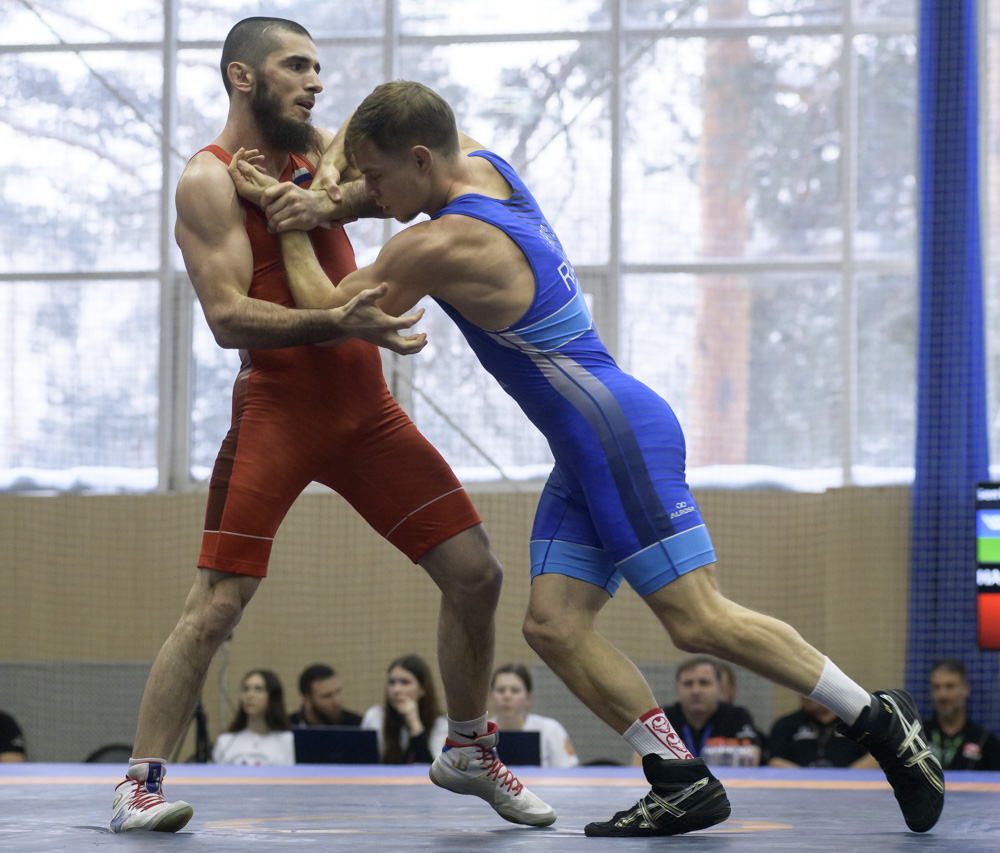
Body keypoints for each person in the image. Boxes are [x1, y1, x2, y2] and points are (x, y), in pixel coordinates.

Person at [229, 79, 945, 837]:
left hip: (617, 436)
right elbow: (385, 150)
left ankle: (879, 718)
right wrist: (331, 197)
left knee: (696, 618)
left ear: (416, 158)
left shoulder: (438, 243)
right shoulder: (481, 162)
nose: (366, 193)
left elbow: (329, 309)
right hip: (588, 445)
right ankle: (678, 774)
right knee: (553, 625)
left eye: (375, 179)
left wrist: (292, 217)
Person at [109, 20, 554, 834]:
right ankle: (137, 783)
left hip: (367, 410)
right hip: (279, 409)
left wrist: (311, 201)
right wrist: (339, 321)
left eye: (318, 66)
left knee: (476, 573)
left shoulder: (326, 145)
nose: (315, 81)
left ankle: (466, 748)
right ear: (242, 78)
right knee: (217, 603)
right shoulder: (206, 182)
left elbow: (419, 169)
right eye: (295, 67)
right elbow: (227, 317)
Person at [653, 656, 763, 768]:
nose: (695, 691)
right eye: (688, 683)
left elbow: (750, 761)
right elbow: (640, 763)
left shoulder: (737, 717)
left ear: (719, 688)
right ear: (678, 688)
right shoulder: (663, 720)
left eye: (704, 683)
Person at [361, 655, 448, 763]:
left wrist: (415, 726)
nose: (396, 690)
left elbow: (433, 772)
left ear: (423, 688)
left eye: (405, 682)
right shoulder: (375, 716)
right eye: (392, 682)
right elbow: (363, 764)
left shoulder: (441, 725)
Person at [489, 663, 578, 768]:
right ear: (491, 695)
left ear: (529, 697)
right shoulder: (481, 733)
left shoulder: (551, 729)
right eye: (500, 690)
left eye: (515, 690)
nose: (507, 696)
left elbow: (569, 772)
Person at [923, 658, 1000, 771]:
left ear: (965, 688)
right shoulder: (918, 736)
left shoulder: (984, 741)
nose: (942, 695)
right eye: (936, 687)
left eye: (950, 686)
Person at [768, 695, 877, 769]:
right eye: (802, 689)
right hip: (799, 789)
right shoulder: (785, 724)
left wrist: (845, 779)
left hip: (851, 788)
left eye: (812, 690)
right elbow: (774, 760)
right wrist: (807, 780)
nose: (807, 695)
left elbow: (876, 758)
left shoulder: (857, 723)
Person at [212, 670, 294, 765]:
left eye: (258, 689)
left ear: (272, 696)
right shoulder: (225, 741)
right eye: (246, 689)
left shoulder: (287, 740)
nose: (250, 695)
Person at [289, 664, 362, 727]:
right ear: (307, 700)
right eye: (327, 696)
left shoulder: (357, 726)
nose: (336, 701)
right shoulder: (288, 727)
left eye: (338, 692)